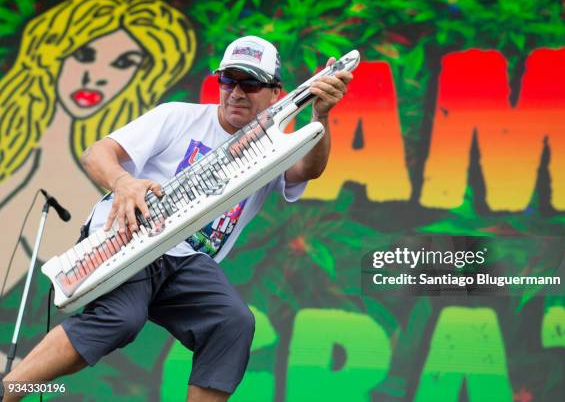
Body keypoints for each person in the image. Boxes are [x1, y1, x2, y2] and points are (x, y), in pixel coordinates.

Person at [2, 35, 352, 401]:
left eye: (250, 83)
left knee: (231, 322)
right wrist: (123, 183)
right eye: (228, 80)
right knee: (121, 319)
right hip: (131, 233)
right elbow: (96, 153)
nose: (236, 92)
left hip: (186, 260)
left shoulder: (277, 145)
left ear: (276, 93)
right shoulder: (178, 116)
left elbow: (307, 170)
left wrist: (321, 114)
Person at [0, 0, 196, 296]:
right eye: (85, 55)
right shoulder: (17, 151)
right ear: (52, 54)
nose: (97, 76)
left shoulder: (100, 191)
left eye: (122, 63)